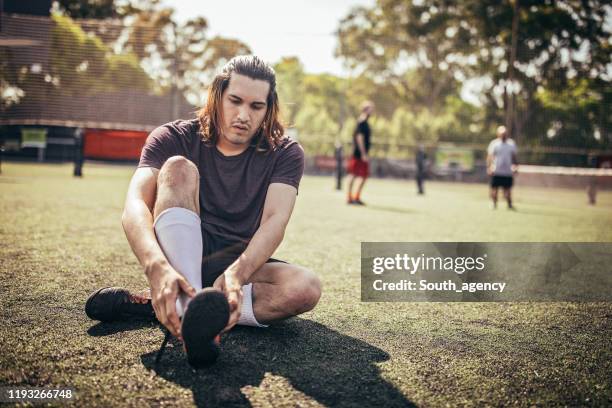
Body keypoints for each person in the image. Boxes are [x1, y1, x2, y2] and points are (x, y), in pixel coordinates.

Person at [85, 55, 322, 368]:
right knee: (178, 167)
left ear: (269, 108)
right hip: (180, 253)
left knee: (305, 288)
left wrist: (238, 273)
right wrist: (156, 267)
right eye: (235, 100)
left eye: (256, 106)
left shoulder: (286, 152)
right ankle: (188, 303)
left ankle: (174, 305)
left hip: (239, 261)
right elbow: (134, 204)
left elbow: (275, 220)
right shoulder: (172, 137)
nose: (243, 115)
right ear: (217, 95)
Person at [347, 101, 375, 205]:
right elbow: (359, 138)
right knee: (353, 175)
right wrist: (363, 153)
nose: (372, 111)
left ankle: (356, 197)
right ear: (365, 110)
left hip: (363, 154)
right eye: (370, 109)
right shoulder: (361, 122)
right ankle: (349, 197)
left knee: (364, 176)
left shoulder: (366, 122)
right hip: (358, 154)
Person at [487, 125, 518, 209]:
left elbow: (514, 157)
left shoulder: (511, 144)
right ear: (498, 134)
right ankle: (494, 204)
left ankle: (509, 204)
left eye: (505, 133)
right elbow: (490, 157)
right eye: (502, 134)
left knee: (508, 189)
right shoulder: (494, 144)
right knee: (494, 189)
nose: (503, 135)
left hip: (507, 171)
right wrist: (489, 167)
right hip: (497, 170)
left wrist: (515, 167)